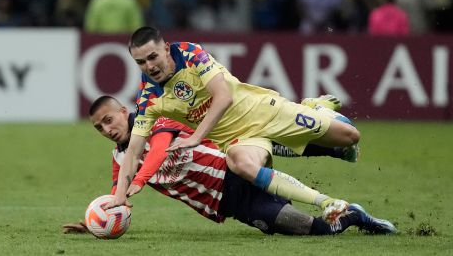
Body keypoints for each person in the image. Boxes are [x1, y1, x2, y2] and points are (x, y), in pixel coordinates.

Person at [105, 26, 360, 221]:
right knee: (242, 165)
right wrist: (119, 196)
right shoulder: (149, 97)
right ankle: (326, 202)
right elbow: (134, 149)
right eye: (140, 62)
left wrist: (196, 137)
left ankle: (314, 107)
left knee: (350, 137)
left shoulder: (190, 53)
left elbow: (223, 97)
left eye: (152, 57)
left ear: (165, 48)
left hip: (263, 111)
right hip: (235, 140)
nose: (149, 66)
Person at [63, 96, 396, 235]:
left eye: (109, 120)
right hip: (232, 205)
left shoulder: (156, 120)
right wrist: (97, 220)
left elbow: (159, 150)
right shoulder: (120, 160)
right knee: (309, 230)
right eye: (99, 128)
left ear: (123, 111)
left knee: (256, 156)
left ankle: (313, 110)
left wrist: (140, 179)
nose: (107, 130)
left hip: (231, 165)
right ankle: (353, 215)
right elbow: (116, 195)